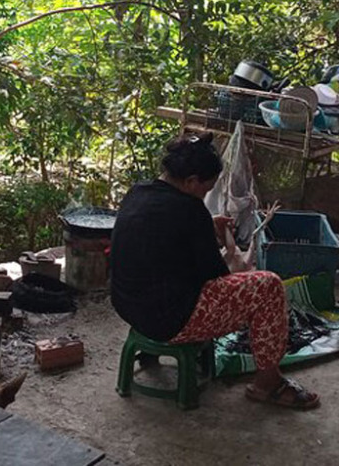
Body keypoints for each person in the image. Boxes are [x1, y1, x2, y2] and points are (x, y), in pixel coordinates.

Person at [110, 133, 319, 409]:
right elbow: (216, 276)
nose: (205, 195)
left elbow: (164, 230)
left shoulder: (138, 192)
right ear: (191, 181)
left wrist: (206, 226)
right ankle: (267, 382)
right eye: (206, 189)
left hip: (129, 307)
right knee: (268, 286)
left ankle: (150, 351)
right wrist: (232, 260)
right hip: (169, 321)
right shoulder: (190, 210)